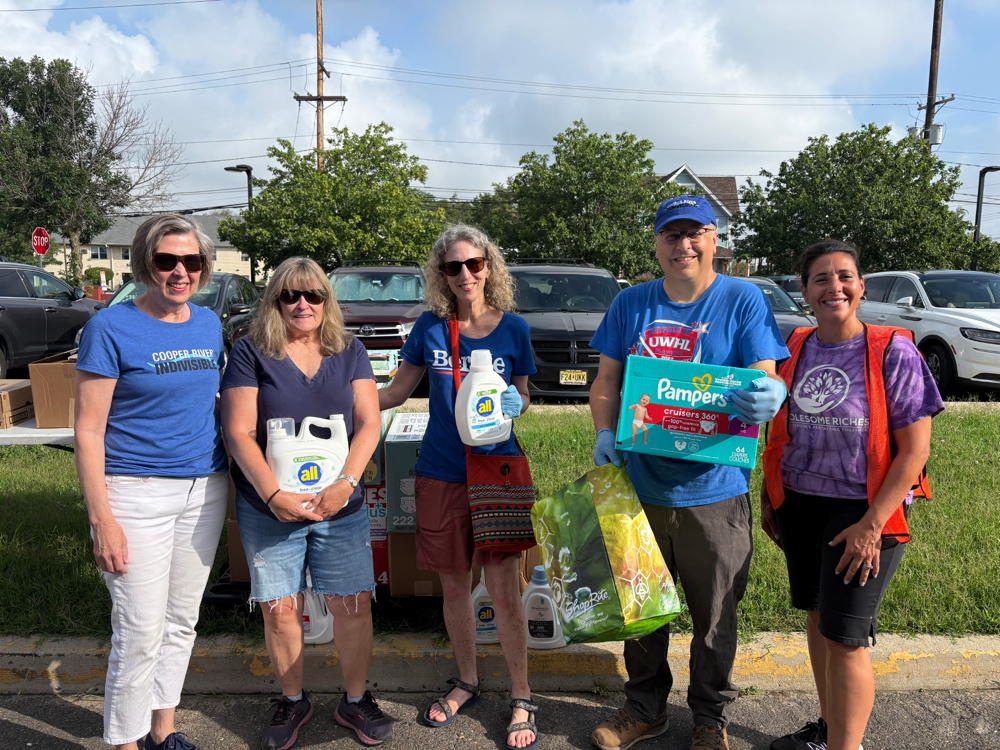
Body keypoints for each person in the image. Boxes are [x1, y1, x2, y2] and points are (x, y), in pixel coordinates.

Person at [588, 195, 790, 750]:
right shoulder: (631, 304)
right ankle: (644, 709)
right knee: (643, 608)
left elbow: (761, 374)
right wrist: (605, 432)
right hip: (641, 485)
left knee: (715, 616)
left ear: (714, 238)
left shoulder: (742, 299)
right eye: (671, 235)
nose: (684, 245)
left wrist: (767, 393)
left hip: (716, 491)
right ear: (656, 244)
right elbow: (606, 381)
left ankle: (709, 718)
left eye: (694, 233)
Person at [761, 240, 942, 750]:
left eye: (844, 276)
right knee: (819, 623)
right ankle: (829, 728)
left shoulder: (892, 349)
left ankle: (847, 745)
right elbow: (778, 428)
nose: (833, 287)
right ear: (804, 292)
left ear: (861, 286)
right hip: (800, 503)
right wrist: (771, 497)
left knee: (846, 638)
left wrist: (872, 525)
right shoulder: (794, 346)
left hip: (862, 511)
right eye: (820, 279)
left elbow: (914, 453)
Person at [378, 224, 539, 750]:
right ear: (441, 275)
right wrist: (340, 393)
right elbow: (398, 391)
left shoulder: (512, 329)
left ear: (489, 267)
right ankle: (467, 681)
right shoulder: (429, 327)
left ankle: (521, 694)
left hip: (498, 472)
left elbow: (523, 395)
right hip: (442, 471)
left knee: (503, 591)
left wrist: (519, 405)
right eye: (454, 267)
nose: (465, 274)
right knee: (453, 588)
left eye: (474, 264)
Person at [220, 257, 390, 749]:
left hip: (340, 504)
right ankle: (292, 700)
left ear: (326, 301)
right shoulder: (252, 351)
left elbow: (369, 423)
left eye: (313, 295)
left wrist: (345, 482)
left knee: (352, 604)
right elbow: (237, 430)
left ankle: (355, 700)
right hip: (270, 506)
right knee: (280, 609)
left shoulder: (349, 350)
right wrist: (273, 495)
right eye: (290, 295)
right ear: (274, 301)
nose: (302, 304)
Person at [75, 214, 229, 750]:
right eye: (167, 261)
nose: (180, 271)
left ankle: (164, 730)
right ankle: (125, 741)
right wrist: (103, 520)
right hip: (134, 493)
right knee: (138, 631)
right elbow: (88, 430)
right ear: (146, 264)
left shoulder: (208, 324)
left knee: (181, 622)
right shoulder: (109, 328)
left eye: (192, 261)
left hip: (204, 489)